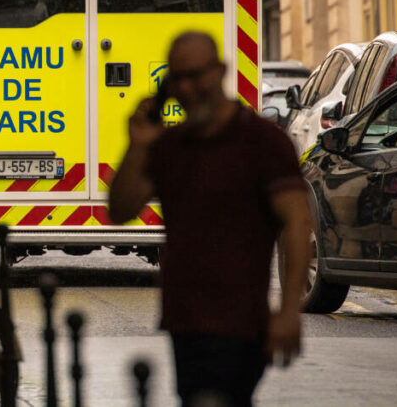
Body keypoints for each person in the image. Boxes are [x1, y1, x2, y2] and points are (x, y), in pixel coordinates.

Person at [108, 32, 312, 407]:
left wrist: (288, 312)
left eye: (196, 75)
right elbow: (119, 211)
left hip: (240, 319)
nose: (187, 87)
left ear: (220, 71)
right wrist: (137, 146)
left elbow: (297, 223)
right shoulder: (169, 145)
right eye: (178, 78)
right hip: (184, 318)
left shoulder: (262, 141)